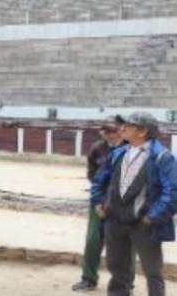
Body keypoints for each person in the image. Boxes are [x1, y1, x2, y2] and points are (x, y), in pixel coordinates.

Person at [91, 112, 177, 296]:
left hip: (144, 223)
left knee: (152, 271)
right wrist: (98, 203)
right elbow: (99, 180)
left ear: (142, 131)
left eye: (128, 126)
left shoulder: (162, 157)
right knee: (117, 267)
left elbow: (172, 192)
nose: (122, 128)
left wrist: (152, 217)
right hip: (115, 220)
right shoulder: (118, 153)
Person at [72, 116, 127, 292]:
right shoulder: (97, 148)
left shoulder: (131, 149)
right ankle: (88, 279)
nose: (107, 134)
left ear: (121, 129)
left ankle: (125, 283)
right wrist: (99, 201)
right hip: (100, 201)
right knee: (93, 240)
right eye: (105, 130)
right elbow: (92, 175)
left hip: (124, 203)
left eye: (111, 130)